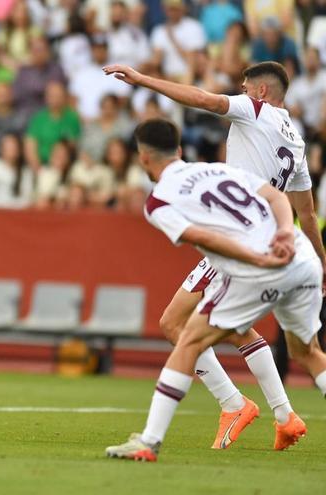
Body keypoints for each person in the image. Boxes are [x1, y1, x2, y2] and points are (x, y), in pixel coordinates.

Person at [103, 61, 326, 449]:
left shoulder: (255, 110)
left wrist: (142, 80)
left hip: (243, 238)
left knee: (177, 325)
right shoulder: (297, 142)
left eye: (244, 86)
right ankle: (281, 413)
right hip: (281, 237)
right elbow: (307, 213)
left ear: (259, 92)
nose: (239, 90)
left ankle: (233, 404)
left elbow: (203, 99)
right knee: (280, 342)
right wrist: (321, 266)